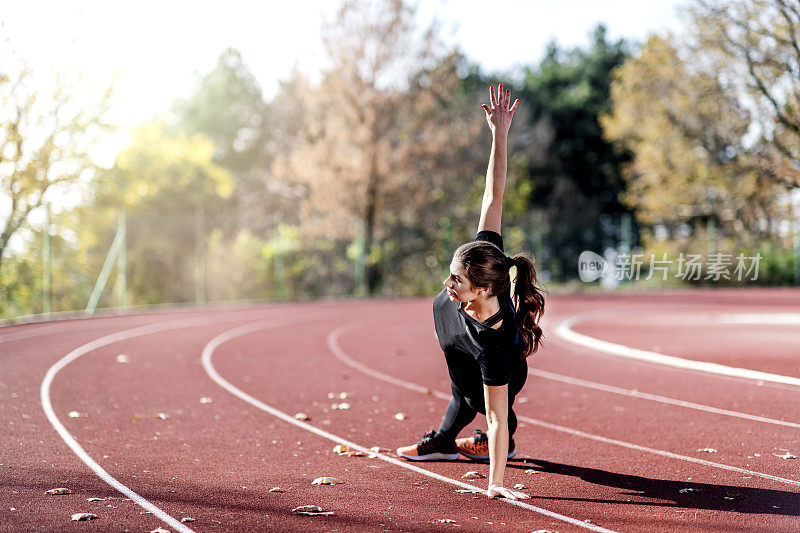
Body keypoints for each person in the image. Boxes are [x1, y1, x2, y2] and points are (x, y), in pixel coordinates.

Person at [396, 84, 546, 501]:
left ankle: (483, 446)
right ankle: (447, 441)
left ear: (480, 290)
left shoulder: (495, 343)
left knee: (480, 402)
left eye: (455, 281)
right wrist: (500, 132)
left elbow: (495, 416)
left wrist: (496, 484)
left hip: (492, 364)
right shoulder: (487, 258)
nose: (447, 284)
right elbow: (493, 192)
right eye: (450, 273)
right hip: (459, 345)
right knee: (461, 391)